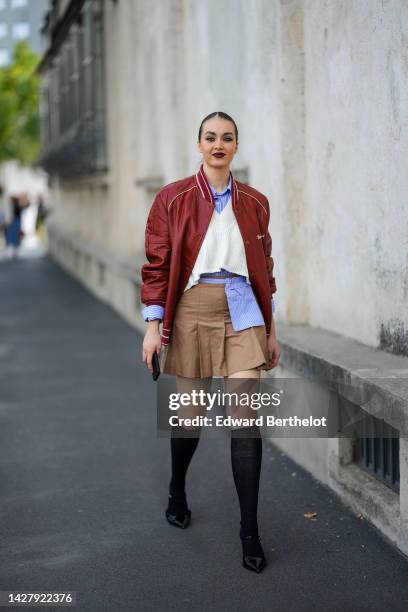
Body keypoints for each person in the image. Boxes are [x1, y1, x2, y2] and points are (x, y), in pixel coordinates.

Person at [141, 111, 280, 573]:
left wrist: (271, 329)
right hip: (193, 309)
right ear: (199, 145)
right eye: (210, 137)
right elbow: (158, 263)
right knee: (191, 414)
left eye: (227, 138)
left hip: (243, 309)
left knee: (244, 415)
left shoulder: (256, 202)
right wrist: (152, 324)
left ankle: (249, 530)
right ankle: (178, 487)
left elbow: (266, 269)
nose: (218, 144)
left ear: (237, 147)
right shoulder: (172, 198)